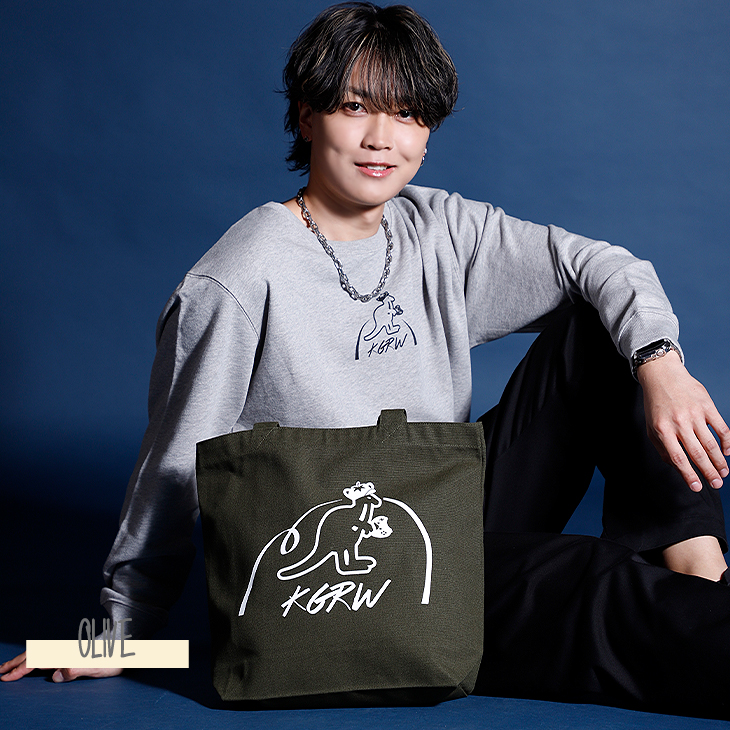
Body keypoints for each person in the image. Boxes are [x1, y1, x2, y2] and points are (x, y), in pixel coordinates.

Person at [3, 1, 730, 715]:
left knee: (608, 331)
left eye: (408, 114)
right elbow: (172, 462)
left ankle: (702, 572)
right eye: (355, 107)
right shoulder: (238, 278)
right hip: (352, 578)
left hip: (442, 508)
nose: (383, 138)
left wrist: (660, 363)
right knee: (588, 580)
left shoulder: (436, 228)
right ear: (306, 116)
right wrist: (123, 631)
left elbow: (605, 266)